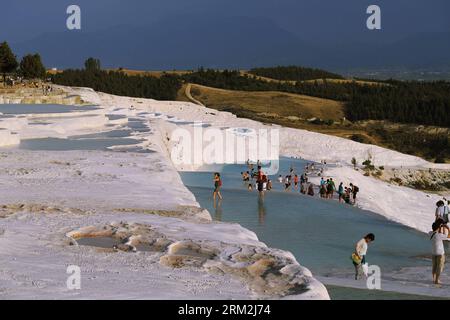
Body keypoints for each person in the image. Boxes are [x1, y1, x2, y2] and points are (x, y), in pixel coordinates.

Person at [429, 220, 449, 285]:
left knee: (434, 266)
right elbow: (448, 236)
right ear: (438, 228)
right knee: (439, 267)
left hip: (433, 252)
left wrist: (439, 227)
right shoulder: (439, 235)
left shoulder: (430, 233)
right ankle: (437, 280)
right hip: (440, 253)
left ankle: (434, 279)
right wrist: (448, 228)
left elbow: (438, 234)